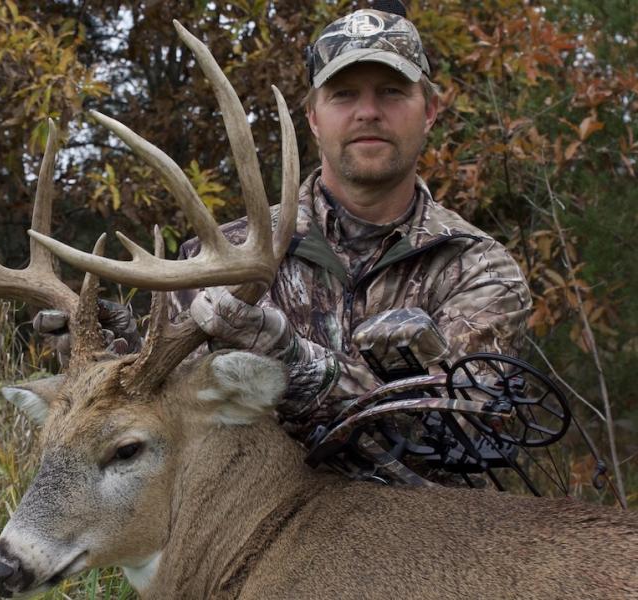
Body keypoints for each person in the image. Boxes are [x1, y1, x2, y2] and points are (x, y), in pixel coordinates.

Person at [37, 2, 531, 443]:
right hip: (256, 534)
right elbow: (171, 422)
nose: (368, 112)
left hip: (424, 533)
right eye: (342, 95)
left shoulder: (479, 268)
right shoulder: (215, 259)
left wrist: (289, 358)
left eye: (391, 92)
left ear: (430, 111)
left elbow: (458, 428)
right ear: (314, 117)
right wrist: (124, 351)